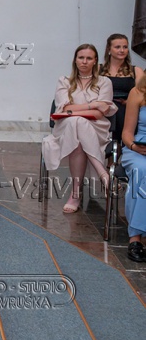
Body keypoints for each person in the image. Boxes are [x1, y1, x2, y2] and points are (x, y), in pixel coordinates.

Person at [42, 44, 117, 213]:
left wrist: (73, 110)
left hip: (96, 129)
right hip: (65, 128)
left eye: (89, 58)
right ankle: (103, 174)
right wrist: (93, 105)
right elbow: (63, 108)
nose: (84, 61)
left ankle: (75, 194)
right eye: (81, 57)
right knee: (76, 124)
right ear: (75, 60)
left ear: (95, 61)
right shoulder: (64, 81)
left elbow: (98, 114)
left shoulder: (105, 82)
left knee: (77, 125)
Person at [120, 74, 146, 262]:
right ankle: (135, 238)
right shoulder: (137, 93)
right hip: (138, 147)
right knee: (141, 170)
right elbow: (127, 133)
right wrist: (134, 146)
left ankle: (136, 235)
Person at [99, 33, 144, 142]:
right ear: (109, 49)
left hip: (128, 108)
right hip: (104, 108)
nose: (122, 50)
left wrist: (130, 102)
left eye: (125, 47)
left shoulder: (136, 71)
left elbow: (143, 93)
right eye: (117, 47)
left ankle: (123, 144)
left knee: (122, 110)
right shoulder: (98, 69)